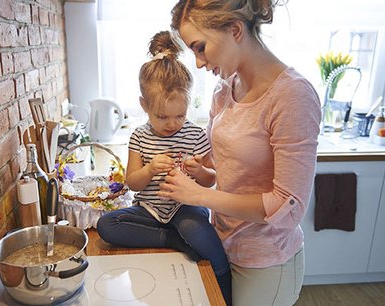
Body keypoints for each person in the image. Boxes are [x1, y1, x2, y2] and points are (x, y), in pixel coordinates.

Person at [157, 1, 322, 305]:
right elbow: (226, 169)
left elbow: (287, 207)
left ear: (235, 30)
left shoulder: (292, 96)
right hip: (222, 243)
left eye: (200, 47)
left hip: (265, 261)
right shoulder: (225, 89)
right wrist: (200, 170)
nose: (198, 62)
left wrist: (197, 196)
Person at [97, 30, 232, 304]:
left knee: (198, 231)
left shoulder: (195, 134)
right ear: (144, 105)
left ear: (188, 105)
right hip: (148, 211)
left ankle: (222, 277)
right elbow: (132, 182)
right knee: (107, 224)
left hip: (186, 208)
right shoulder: (139, 137)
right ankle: (171, 239)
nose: (172, 124)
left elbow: (211, 181)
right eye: (162, 116)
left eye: (180, 115)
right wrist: (148, 170)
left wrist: (198, 173)